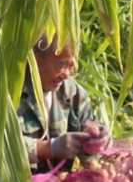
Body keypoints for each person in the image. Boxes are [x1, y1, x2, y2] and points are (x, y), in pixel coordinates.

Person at [19, 35, 109, 172]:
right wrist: (50, 148)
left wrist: (97, 137)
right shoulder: (9, 92)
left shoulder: (73, 93)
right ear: (35, 56)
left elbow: (89, 125)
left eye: (71, 66)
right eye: (61, 65)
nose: (67, 75)